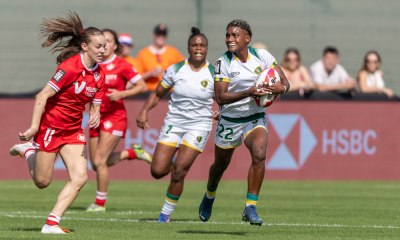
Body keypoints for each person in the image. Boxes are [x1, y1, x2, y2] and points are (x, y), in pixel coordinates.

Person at [9, 12, 105, 234]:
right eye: (98, 46)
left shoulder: (100, 75)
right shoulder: (70, 67)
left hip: (72, 131)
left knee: (80, 177)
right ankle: (29, 151)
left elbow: (96, 102)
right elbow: (42, 96)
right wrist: (34, 128)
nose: (102, 50)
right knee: (42, 182)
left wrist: (96, 113)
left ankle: (51, 223)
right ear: (84, 47)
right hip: (51, 127)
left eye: (104, 46)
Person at [198, 20, 290, 226]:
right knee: (220, 166)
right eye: (228, 35)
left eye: (235, 35)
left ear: (247, 38)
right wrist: (249, 91)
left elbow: (285, 82)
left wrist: (280, 89)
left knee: (259, 154)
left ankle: (250, 207)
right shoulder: (224, 62)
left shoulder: (263, 57)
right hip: (229, 120)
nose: (230, 39)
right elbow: (220, 98)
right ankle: (209, 196)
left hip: (254, 117)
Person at [137, 27, 219, 223]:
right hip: (174, 122)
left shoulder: (214, 73)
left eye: (202, 45)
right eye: (194, 45)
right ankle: (173, 162)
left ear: (206, 48)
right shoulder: (175, 69)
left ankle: (165, 214)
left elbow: (225, 98)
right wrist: (144, 110)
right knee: (157, 171)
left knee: (180, 172)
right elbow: (157, 93)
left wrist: (221, 112)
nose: (198, 48)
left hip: (199, 125)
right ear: (189, 48)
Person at [86, 29, 152, 212]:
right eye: (101, 41)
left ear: (115, 46)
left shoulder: (122, 65)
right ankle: (133, 153)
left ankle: (99, 203)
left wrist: (122, 93)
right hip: (95, 116)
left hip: (114, 116)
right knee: (96, 163)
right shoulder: (91, 64)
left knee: (99, 160)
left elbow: (142, 86)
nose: (104, 45)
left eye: (108, 41)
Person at [136, 24, 185, 91]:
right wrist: (150, 73)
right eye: (159, 34)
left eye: (163, 35)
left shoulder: (173, 52)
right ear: (153, 35)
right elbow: (136, 78)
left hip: (169, 92)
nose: (161, 37)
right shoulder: (143, 53)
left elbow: (185, 68)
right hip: (149, 92)